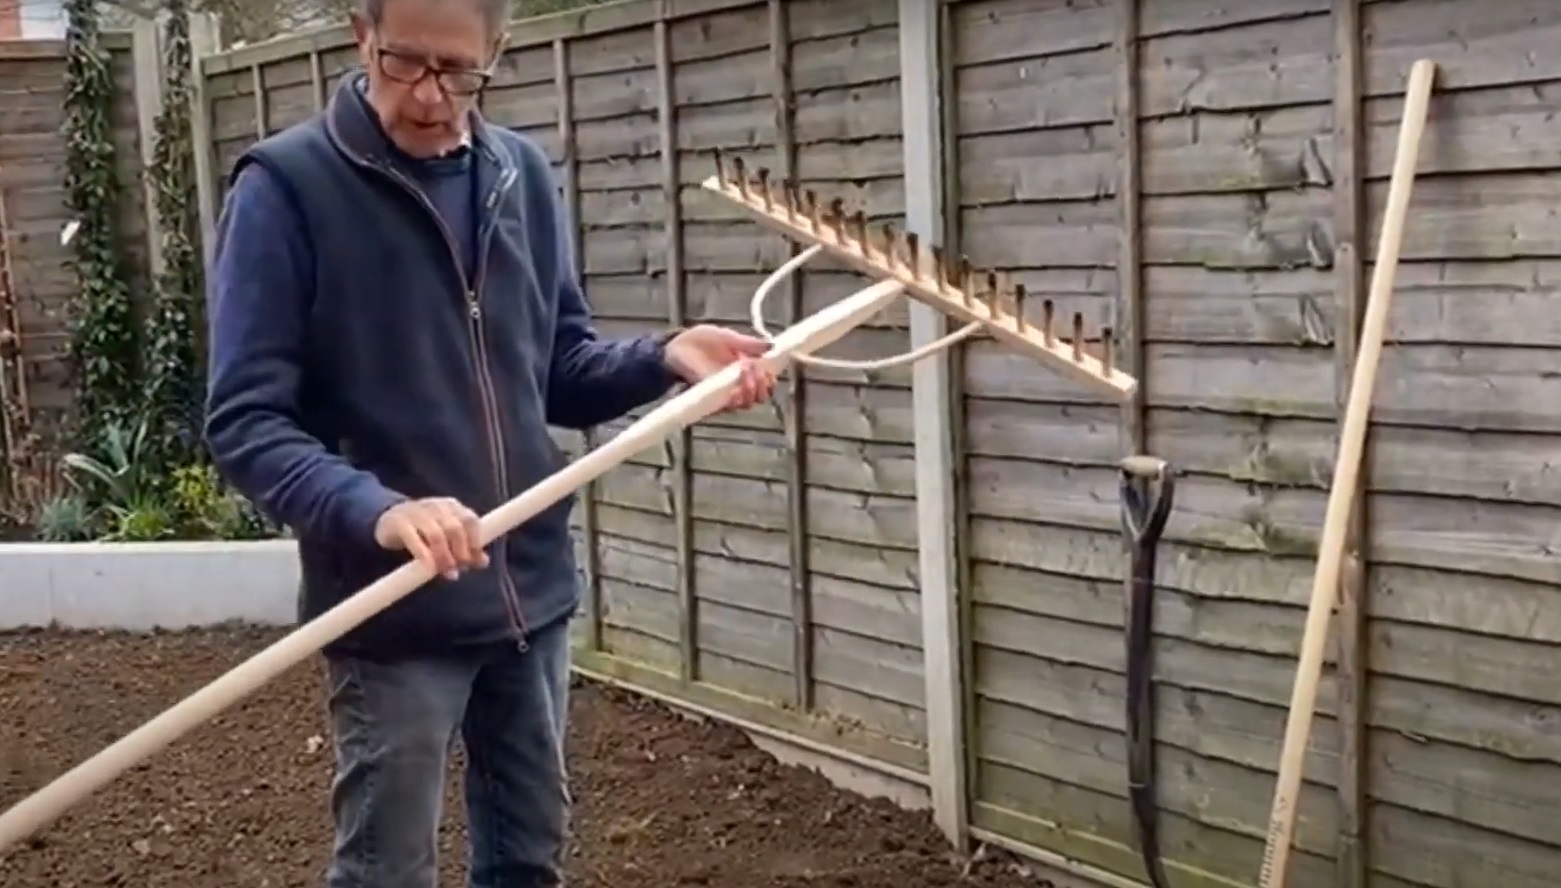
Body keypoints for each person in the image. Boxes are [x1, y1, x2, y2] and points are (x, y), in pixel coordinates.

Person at [200, 0, 777, 883]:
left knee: (527, 859)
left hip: (530, 594)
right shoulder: (286, 190)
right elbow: (244, 420)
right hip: (393, 604)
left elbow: (558, 367)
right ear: (361, 36)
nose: (431, 96)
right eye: (405, 63)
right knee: (387, 871)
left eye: (459, 72)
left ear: (494, 55)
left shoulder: (520, 175)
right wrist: (381, 511)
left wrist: (663, 356)